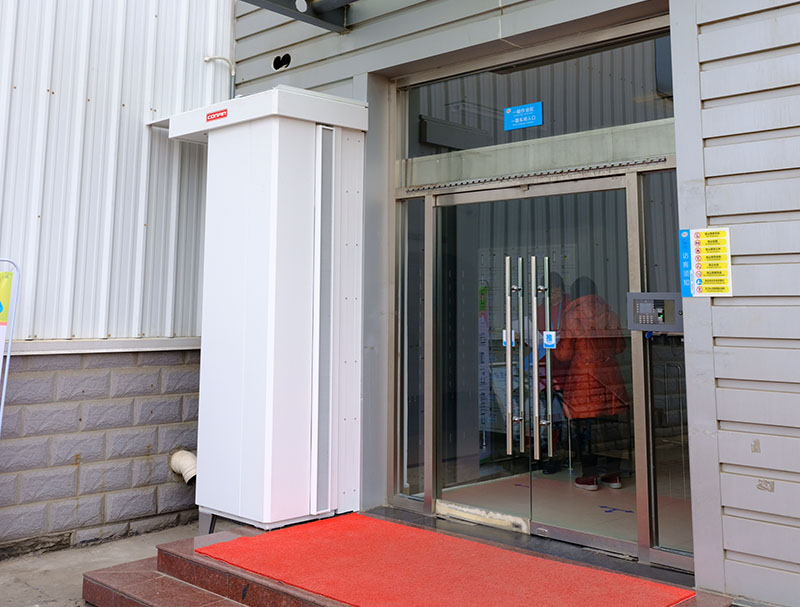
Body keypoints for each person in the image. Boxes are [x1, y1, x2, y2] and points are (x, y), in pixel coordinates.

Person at [554, 276, 629, 491]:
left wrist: (552, 346)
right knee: (611, 427)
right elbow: (620, 347)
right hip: (610, 376)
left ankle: (590, 477)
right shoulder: (610, 313)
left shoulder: (572, 315)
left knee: (585, 427)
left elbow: (564, 354)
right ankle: (614, 475)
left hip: (584, 378)